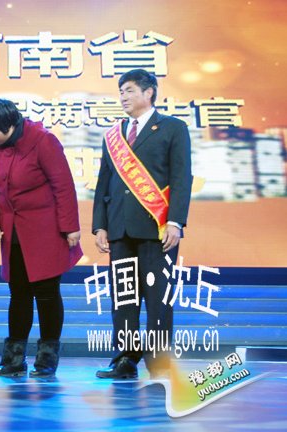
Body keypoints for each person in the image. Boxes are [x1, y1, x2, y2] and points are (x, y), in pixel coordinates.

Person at [92, 69, 192, 379]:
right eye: (121, 91)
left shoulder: (173, 128)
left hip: (157, 228)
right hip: (120, 229)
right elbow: (104, 181)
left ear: (149, 93)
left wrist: (175, 221)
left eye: (130, 90)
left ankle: (159, 362)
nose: (123, 96)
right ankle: (125, 358)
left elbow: (181, 178)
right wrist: (100, 225)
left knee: (158, 298)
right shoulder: (114, 134)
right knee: (124, 298)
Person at [0, 98, 82, 378]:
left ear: (10, 125)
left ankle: (47, 358)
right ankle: (14, 360)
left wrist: (70, 227)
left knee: (47, 294)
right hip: (12, 231)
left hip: (45, 229)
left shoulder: (43, 140)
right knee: (19, 294)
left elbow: (63, 186)